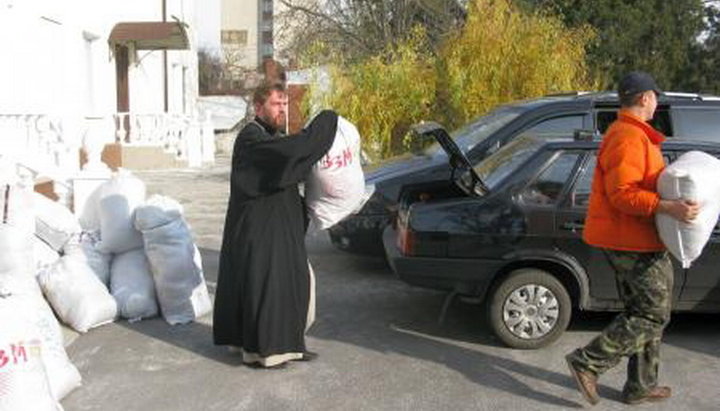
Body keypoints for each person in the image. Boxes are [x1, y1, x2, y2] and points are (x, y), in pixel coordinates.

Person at [565, 71, 700, 405]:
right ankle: (588, 362)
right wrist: (668, 206)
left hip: (632, 238)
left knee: (642, 311)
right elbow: (623, 195)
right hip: (631, 240)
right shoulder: (628, 137)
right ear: (645, 98)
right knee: (652, 314)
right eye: (656, 97)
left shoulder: (634, 134)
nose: (657, 103)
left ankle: (641, 385)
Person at [213, 81, 338, 369]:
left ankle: (291, 346)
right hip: (260, 232)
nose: (282, 109)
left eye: (284, 104)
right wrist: (326, 123)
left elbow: (291, 158)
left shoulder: (272, 137)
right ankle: (264, 352)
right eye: (275, 104)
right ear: (258, 107)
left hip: (281, 230)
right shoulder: (251, 138)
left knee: (297, 283)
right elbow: (291, 154)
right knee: (267, 287)